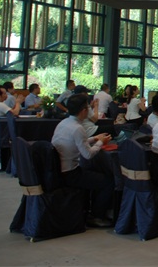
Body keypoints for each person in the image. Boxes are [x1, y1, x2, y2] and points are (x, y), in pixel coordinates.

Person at [51, 93, 114, 227]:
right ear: (84, 110)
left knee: (94, 173)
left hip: (58, 169)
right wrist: (101, 142)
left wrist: (95, 138)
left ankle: (91, 210)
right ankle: (97, 216)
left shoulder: (64, 123)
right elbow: (88, 154)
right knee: (108, 181)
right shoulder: (78, 128)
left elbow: (77, 142)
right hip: (69, 173)